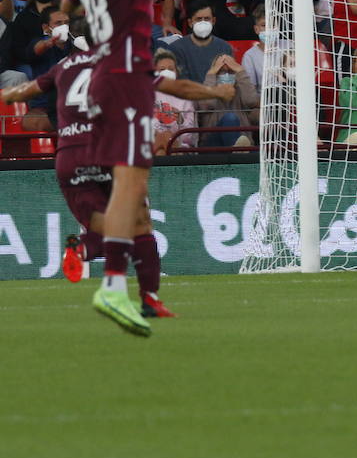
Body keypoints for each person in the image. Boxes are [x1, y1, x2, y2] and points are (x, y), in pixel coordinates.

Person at [63, 0, 238, 335]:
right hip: (124, 79)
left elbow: (68, 5)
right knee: (130, 186)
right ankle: (114, 286)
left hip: (113, 79)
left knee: (135, 194)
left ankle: (140, 295)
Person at [1, 43, 233, 307]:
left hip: (70, 157)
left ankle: (83, 248)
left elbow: (23, 92)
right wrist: (215, 90)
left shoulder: (62, 66)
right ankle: (149, 298)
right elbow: (174, 87)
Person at [198, 51, 258, 147]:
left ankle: (238, 150)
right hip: (213, 145)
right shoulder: (206, 90)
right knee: (230, 118)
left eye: (230, 72)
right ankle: (237, 151)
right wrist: (211, 73)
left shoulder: (241, 90)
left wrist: (240, 70)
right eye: (221, 71)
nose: (226, 75)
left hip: (244, 144)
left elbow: (252, 101)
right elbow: (207, 104)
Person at [169, 0, 235, 83]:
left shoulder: (224, 47)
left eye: (207, 19)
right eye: (199, 19)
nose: (203, 22)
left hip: (216, 94)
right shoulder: (176, 48)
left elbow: (227, 81)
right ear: (190, 22)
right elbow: (180, 84)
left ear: (213, 21)